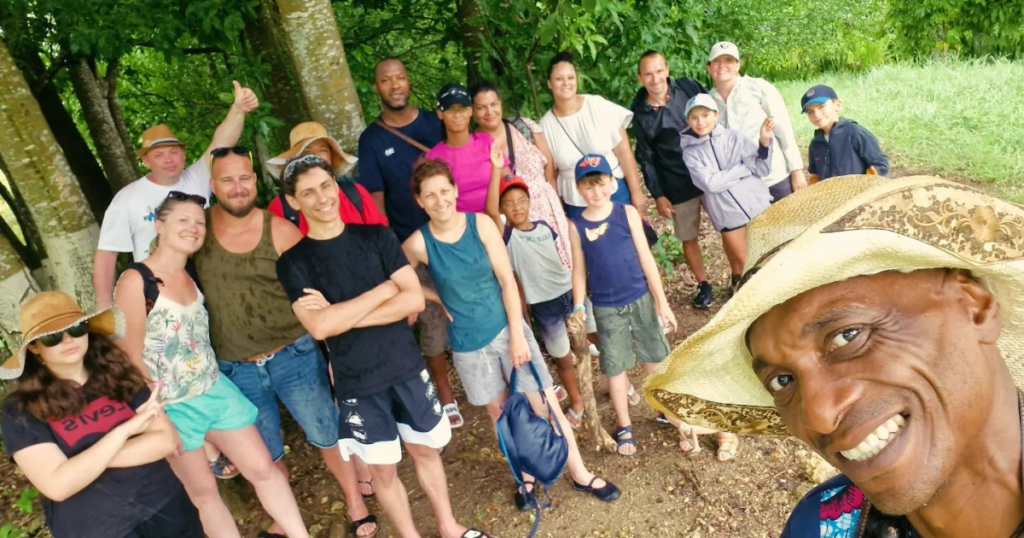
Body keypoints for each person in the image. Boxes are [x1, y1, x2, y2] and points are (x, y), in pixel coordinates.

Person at [645, 175, 1024, 537]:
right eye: (783, 380)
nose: (819, 416)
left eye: (847, 336)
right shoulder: (817, 526)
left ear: (975, 306)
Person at [275, 155, 489, 538]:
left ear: (336, 185)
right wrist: (385, 289)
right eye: (308, 192)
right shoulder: (294, 262)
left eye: (326, 185)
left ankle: (449, 527)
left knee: (426, 452)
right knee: (383, 471)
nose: (322, 197)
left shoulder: (377, 237)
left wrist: (343, 316)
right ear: (294, 202)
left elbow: (413, 301)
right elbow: (320, 327)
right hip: (356, 381)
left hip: (405, 366)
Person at [403, 158, 620, 509]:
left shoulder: (481, 225)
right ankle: (526, 479)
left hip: (507, 329)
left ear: (455, 191)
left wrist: (518, 335)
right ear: (419, 201)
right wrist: (432, 295)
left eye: (445, 190)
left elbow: (506, 280)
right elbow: (399, 280)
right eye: (430, 195)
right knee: (501, 415)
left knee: (545, 404)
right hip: (468, 344)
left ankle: (579, 472)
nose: (439, 200)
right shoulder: (418, 243)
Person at [191, 149, 378, 538]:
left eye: (245, 178)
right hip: (235, 366)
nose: (238, 187)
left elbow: (321, 295)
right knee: (264, 454)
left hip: (293, 354)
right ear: (213, 186)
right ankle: (286, 518)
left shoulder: (279, 229)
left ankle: (356, 503)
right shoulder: (199, 231)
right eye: (227, 180)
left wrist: (335, 354)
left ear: (255, 181)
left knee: (327, 433)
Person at [113, 193, 309, 538]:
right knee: (203, 494)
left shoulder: (190, 274)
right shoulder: (136, 280)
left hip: (213, 390)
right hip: (170, 407)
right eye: (182, 220)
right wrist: (157, 420)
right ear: (159, 226)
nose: (193, 228)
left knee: (264, 469)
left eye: (199, 222)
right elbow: (128, 358)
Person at [0, 291, 203, 538]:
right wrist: (125, 431)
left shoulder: (116, 373)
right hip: (97, 528)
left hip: (166, 506)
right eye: (52, 336)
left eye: (76, 328)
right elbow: (58, 485)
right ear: (34, 347)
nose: (68, 340)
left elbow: (165, 441)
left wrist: (80, 465)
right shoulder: (20, 411)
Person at [568, 154, 720, 459]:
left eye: (600, 184)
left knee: (655, 356)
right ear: (578, 190)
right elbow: (578, 270)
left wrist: (662, 303)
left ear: (612, 184)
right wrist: (578, 306)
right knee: (615, 366)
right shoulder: (577, 225)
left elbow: (646, 258)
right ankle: (624, 424)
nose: (595, 192)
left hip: (640, 298)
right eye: (588, 186)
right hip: (606, 307)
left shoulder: (625, 213)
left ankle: (665, 410)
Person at [356, 57, 461, 427]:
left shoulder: (435, 123)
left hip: (453, 232)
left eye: (400, 77)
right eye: (386, 80)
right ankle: (445, 396)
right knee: (431, 319)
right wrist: (392, 258)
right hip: (410, 244)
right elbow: (376, 203)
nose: (395, 85)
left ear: (408, 81)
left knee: (467, 304)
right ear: (376, 88)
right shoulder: (371, 140)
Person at [93, 80, 259, 309]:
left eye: (174, 152)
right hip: (158, 292)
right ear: (145, 160)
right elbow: (107, 253)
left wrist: (239, 109)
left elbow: (222, 142)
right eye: (159, 155)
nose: (169, 159)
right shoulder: (127, 198)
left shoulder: (196, 178)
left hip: (206, 280)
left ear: (183, 155)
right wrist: (104, 304)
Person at [484, 174, 595, 427]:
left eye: (522, 201)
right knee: (563, 358)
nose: (517, 207)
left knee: (597, 335)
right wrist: (495, 168)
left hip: (569, 292)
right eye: (509, 203)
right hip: (544, 306)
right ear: (502, 209)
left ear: (530, 201)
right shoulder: (506, 235)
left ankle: (622, 384)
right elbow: (490, 210)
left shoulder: (545, 226)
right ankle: (577, 401)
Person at [631, 50, 715, 309]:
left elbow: (715, 113)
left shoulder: (688, 87)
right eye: (648, 74)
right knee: (688, 237)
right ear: (640, 78)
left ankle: (740, 274)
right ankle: (704, 284)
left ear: (666, 69)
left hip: (712, 172)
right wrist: (658, 194)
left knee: (730, 225)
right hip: (676, 182)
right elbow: (646, 157)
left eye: (658, 71)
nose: (655, 78)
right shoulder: (639, 113)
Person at [470, 80, 572, 271]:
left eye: (493, 104)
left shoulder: (523, 126)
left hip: (547, 208)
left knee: (562, 265)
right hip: (511, 218)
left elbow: (549, 167)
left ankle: (576, 300)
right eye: (481, 107)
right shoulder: (473, 144)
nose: (489, 112)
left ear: (501, 103)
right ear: (473, 112)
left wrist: (553, 201)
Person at [679, 94, 773, 290]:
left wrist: (764, 144)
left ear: (716, 115)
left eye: (705, 115)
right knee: (747, 262)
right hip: (727, 214)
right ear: (688, 120)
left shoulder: (734, 137)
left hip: (757, 204)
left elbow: (761, 168)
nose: (700, 122)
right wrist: (742, 169)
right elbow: (711, 184)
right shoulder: (690, 152)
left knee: (770, 256)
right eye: (694, 117)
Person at [540, 50, 646, 219]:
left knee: (629, 241)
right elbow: (551, 177)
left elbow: (624, 151)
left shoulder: (597, 105)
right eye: (559, 79)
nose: (565, 83)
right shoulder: (545, 127)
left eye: (570, 77)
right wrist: (559, 214)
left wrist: (636, 192)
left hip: (614, 190)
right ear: (549, 83)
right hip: (576, 201)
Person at [705, 42, 805, 202]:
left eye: (729, 60)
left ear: (738, 65)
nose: (722, 65)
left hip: (775, 178)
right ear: (708, 68)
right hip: (741, 186)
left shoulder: (759, 88)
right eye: (716, 61)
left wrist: (796, 170)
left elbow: (783, 130)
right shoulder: (707, 103)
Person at [266, 122, 388, 230]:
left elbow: (381, 238)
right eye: (306, 151)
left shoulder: (356, 194)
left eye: (323, 150)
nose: (316, 156)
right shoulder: (281, 207)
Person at [425, 83, 510, 214]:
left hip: (496, 219)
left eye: (462, 108)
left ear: (470, 111)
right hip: (458, 227)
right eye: (450, 109)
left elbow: (508, 181)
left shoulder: (487, 142)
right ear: (440, 114)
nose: (457, 115)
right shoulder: (433, 157)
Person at [800, 85, 890, 182]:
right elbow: (815, 175)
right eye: (810, 112)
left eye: (821, 107)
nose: (816, 114)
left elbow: (880, 163)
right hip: (832, 195)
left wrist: (864, 185)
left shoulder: (855, 132)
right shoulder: (815, 144)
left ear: (838, 105)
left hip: (860, 193)